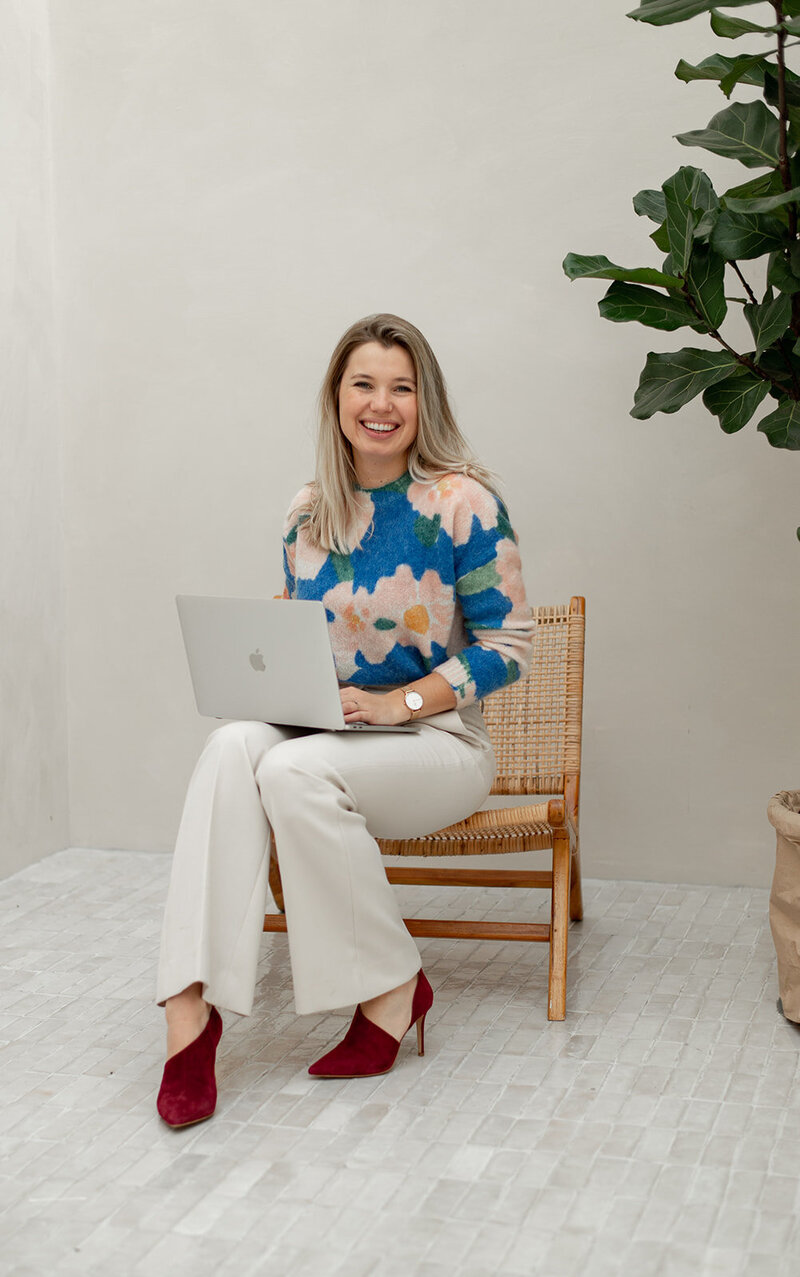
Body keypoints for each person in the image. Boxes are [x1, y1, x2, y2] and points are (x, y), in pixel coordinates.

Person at [155, 313, 535, 1127]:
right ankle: (190, 1006)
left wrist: (400, 702)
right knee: (230, 747)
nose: (381, 404)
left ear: (425, 401)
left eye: (401, 387)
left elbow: (507, 648)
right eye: (364, 383)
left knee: (291, 770)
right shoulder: (308, 509)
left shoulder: (463, 501)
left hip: (437, 743)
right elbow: (298, 626)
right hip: (330, 732)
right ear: (337, 396)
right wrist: (272, 666)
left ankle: (391, 986)